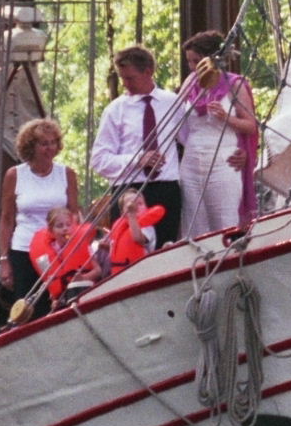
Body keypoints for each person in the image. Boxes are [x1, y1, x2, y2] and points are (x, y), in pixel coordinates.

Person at [89, 45, 184, 244]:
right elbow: (99, 160)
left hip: (166, 188)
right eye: (122, 78)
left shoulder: (173, 103)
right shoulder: (115, 110)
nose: (125, 84)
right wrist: (137, 160)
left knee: (166, 249)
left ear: (148, 72)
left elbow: (189, 140)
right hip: (128, 191)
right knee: (129, 249)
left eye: (130, 78)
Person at [176, 31, 259, 239]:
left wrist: (225, 117)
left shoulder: (235, 85)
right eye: (189, 62)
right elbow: (175, 117)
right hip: (192, 159)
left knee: (224, 219)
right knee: (194, 222)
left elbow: (250, 126)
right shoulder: (190, 82)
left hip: (223, 159)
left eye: (197, 61)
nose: (193, 67)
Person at [0, 118, 78, 305]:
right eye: (44, 144)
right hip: (24, 249)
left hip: (58, 249)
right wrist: (4, 259)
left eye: (53, 143)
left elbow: (74, 213)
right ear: (31, 147)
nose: (49, 148)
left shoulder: (67, 174)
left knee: (59, 302)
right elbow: (7, 219)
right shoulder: (15, 175)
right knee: (27, 304)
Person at [27, 206, 100, 305]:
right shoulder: (44, 256)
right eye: (59, 226)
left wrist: (83, 277)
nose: (65, 229)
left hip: (84, 293)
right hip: (62, 300)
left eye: (68, 225)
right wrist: (54, 300)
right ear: (51, 230)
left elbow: (98, 271)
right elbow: (49, 281)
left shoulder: (81, 242)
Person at [105, 189, 166, 276]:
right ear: (122, 212)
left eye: (140, 204)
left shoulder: (147, 227)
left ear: (146, 207)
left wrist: (132, 215)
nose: (135, 207)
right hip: (118, 274)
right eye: (130, 204)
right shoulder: (119, 228)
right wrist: (105, 246)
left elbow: (138, 239)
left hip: (140, 272)